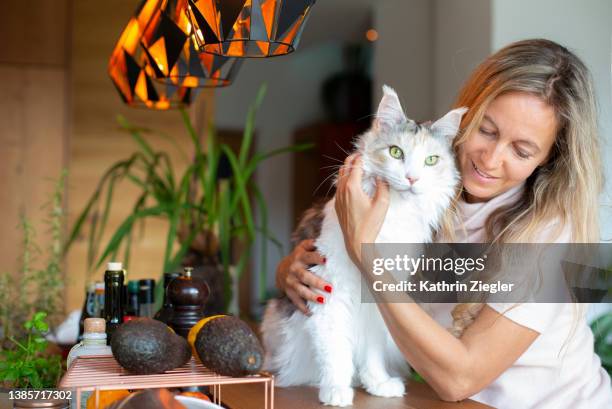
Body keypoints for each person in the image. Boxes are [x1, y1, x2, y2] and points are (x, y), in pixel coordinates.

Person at [274, 39, 611, 408]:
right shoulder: (427, 177)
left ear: (547, 160)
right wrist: (292, 271)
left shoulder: (549, 233)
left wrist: (366, 254)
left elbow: (459, 378)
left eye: (521, 150)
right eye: (487, 129)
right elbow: (338, 247)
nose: (491, 159)